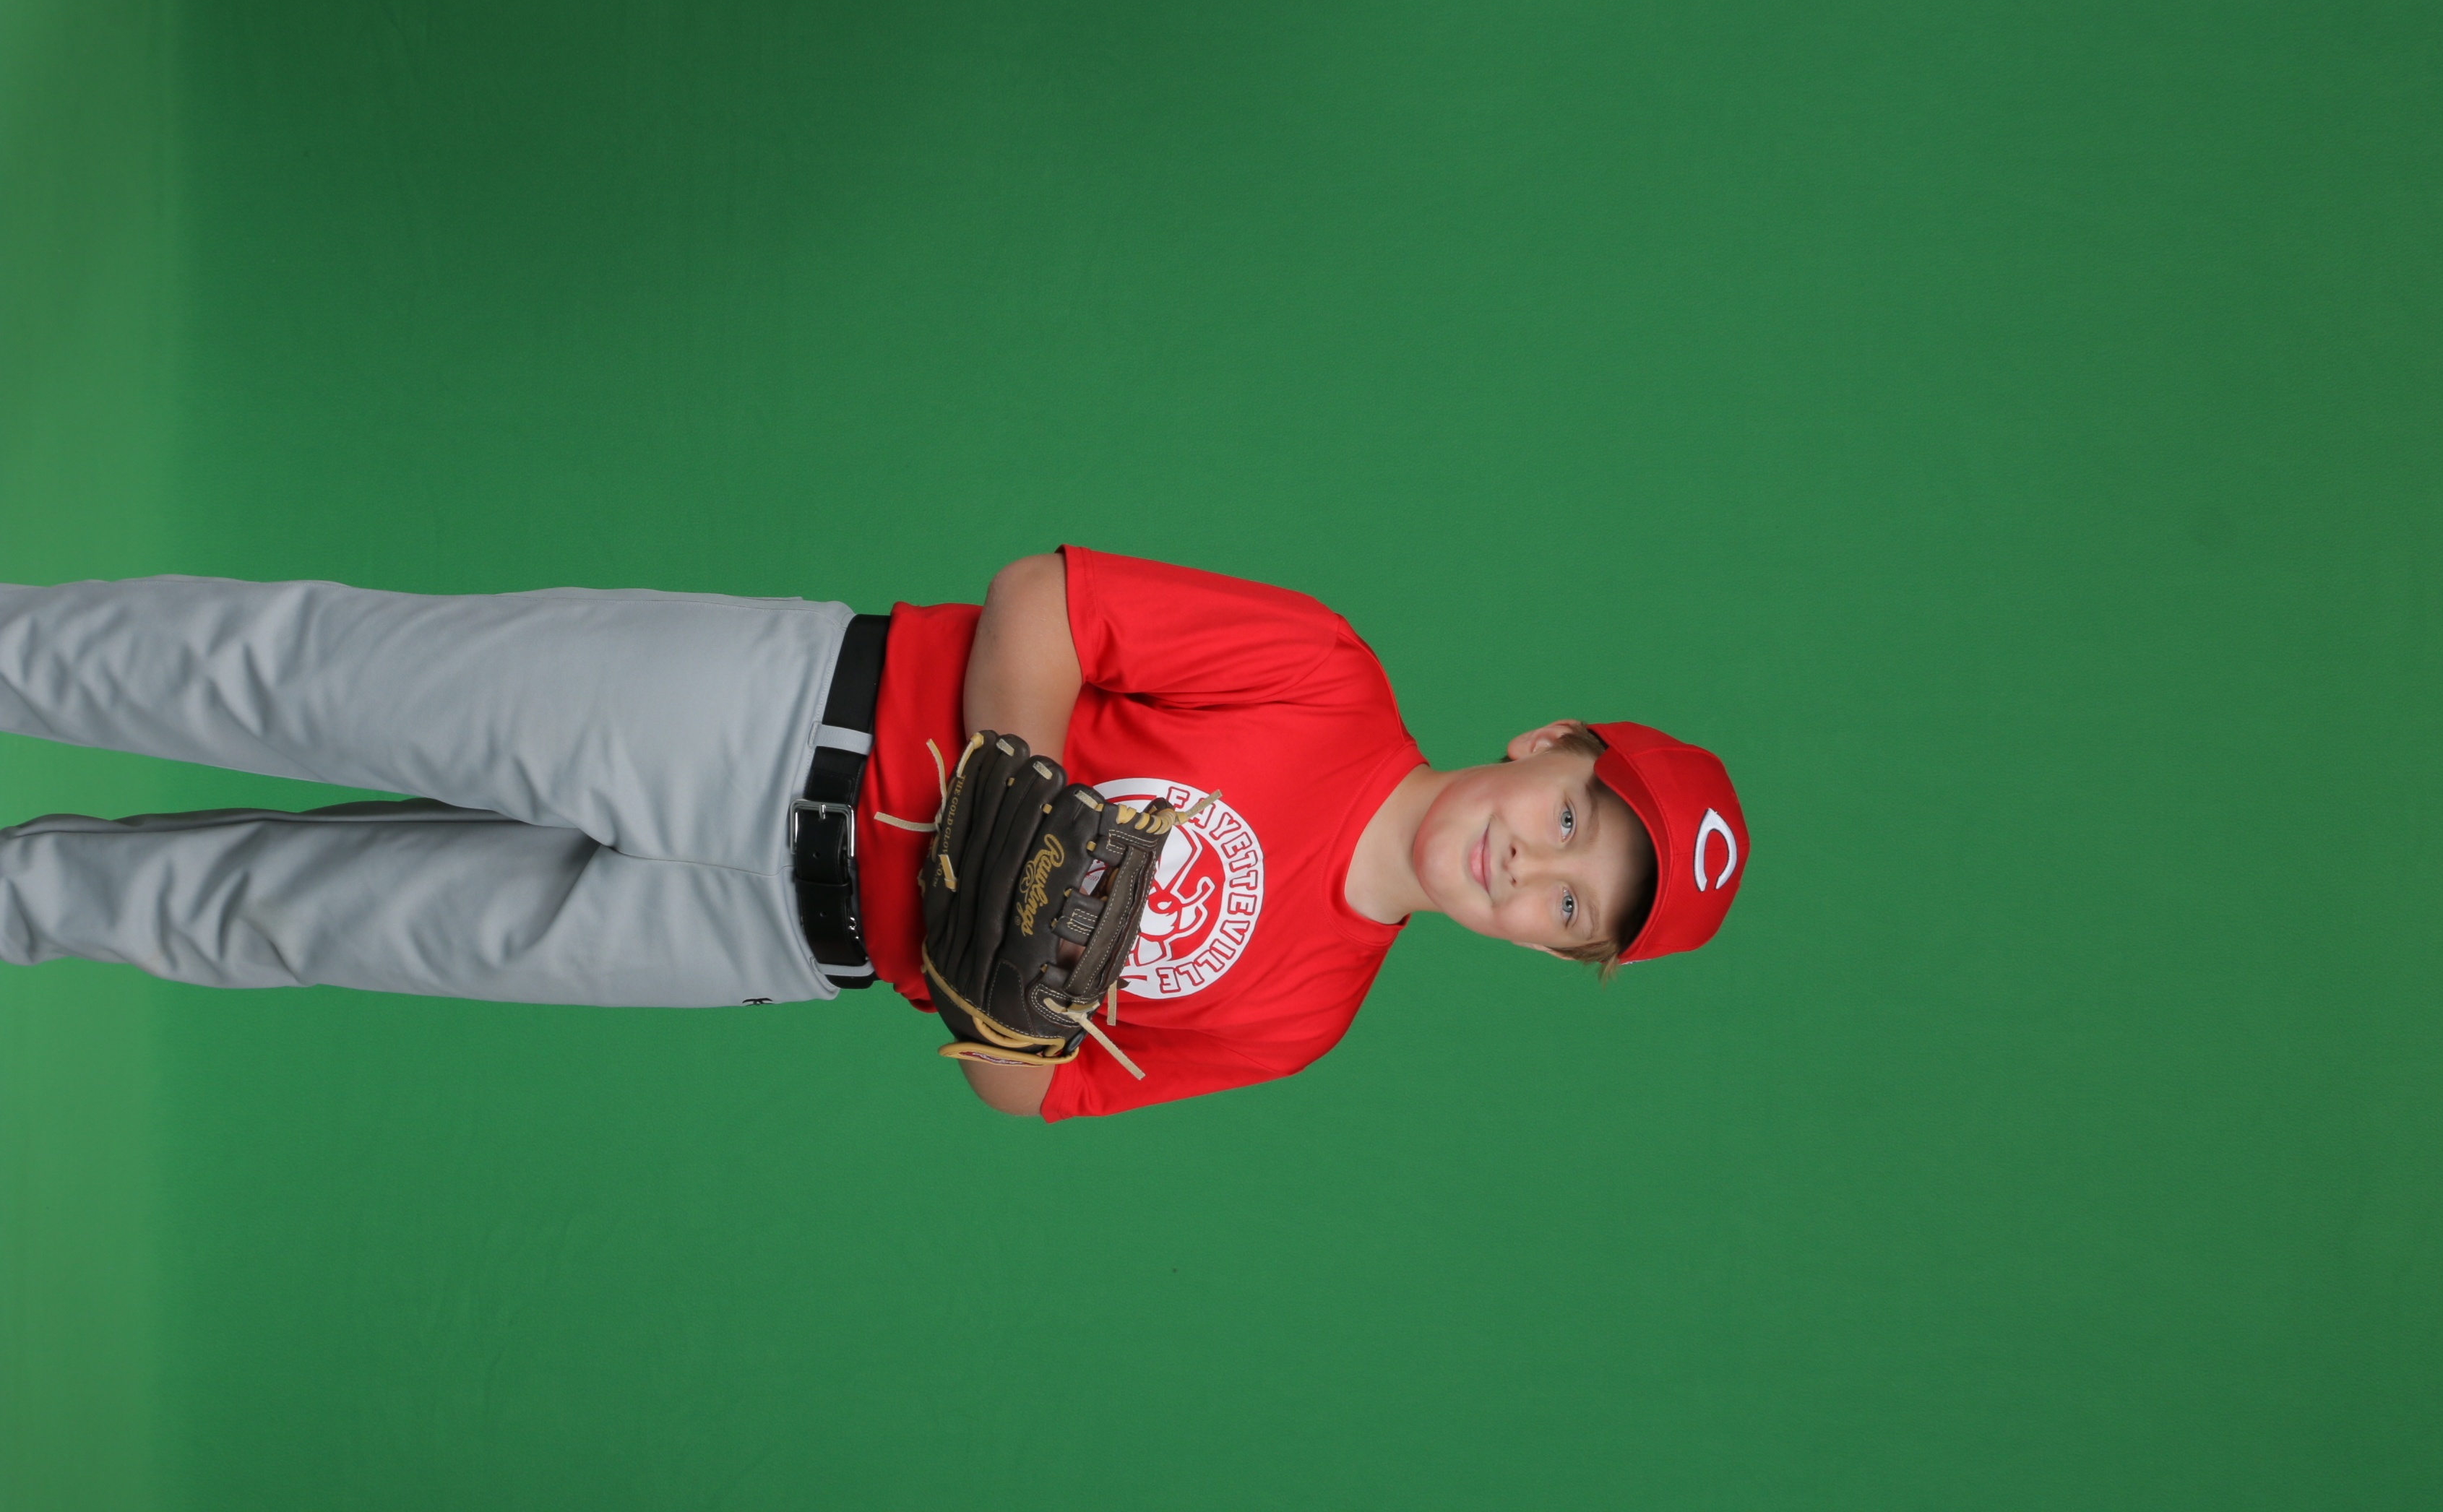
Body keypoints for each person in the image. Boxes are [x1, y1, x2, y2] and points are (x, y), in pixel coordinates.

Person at [0, 548, 1746, 1120]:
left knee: (296, 916)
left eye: (1570, 907)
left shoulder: (1304, 1013)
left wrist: (1002, 998)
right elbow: (1045, 598)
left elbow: (1030, 1092)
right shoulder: (1324, 677)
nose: (1533, 866)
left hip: (773, 943)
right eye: (1571, 817)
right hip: (776, 718)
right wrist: (1011, 791)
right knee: (308, 681)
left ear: (1547, 951)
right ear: (1549, 743)